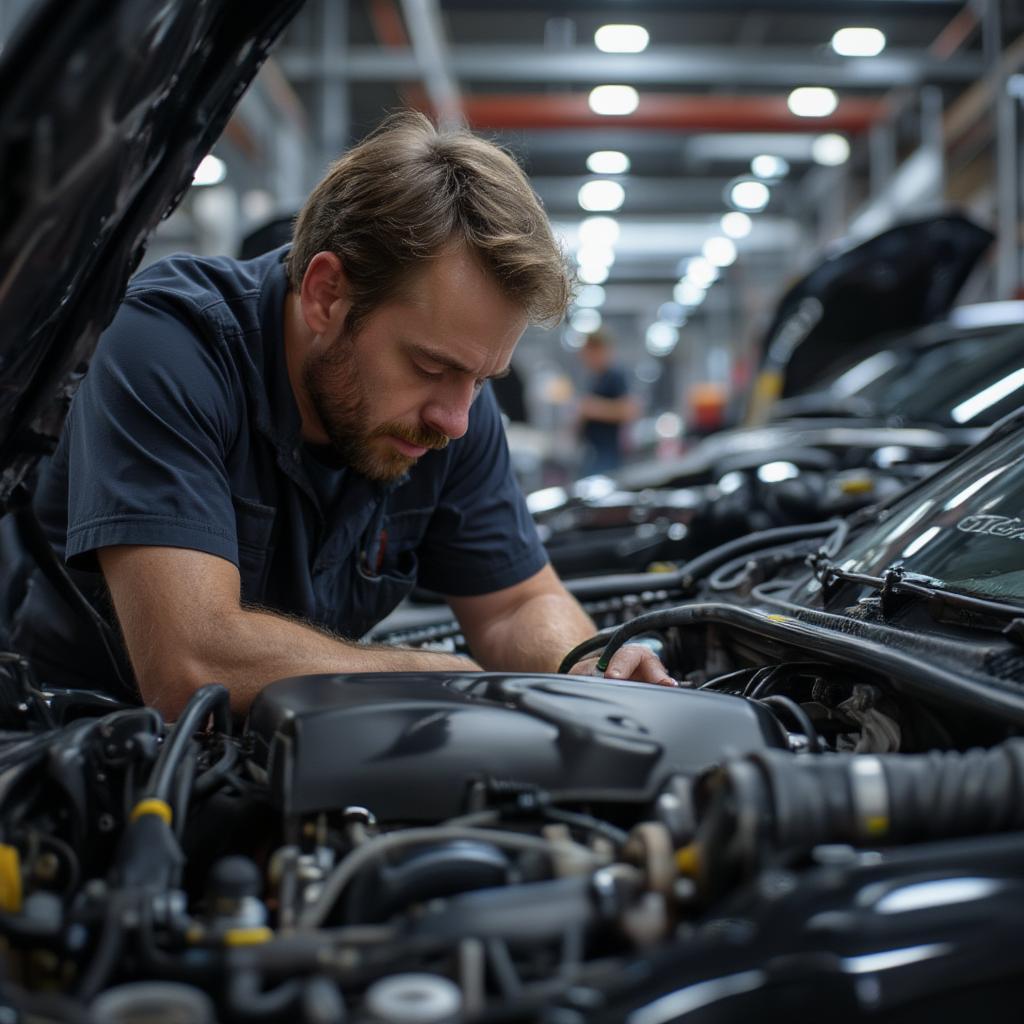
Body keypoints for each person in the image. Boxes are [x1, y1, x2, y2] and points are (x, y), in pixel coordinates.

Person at [0, 112, 675, 717]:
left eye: (481, 378)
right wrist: (451, 680)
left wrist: (586, 666)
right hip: (80, 766)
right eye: (432, 367)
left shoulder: (451, 404)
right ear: (325, 294)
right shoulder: (169, 345)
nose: (457, 419)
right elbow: (193, 665)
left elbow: (516, 604)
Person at [577, 330, 637, 476]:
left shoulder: (615, 376)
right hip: (593, 449)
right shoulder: (597, 377)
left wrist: (592, 408)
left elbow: (629, 410)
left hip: (607, 451)